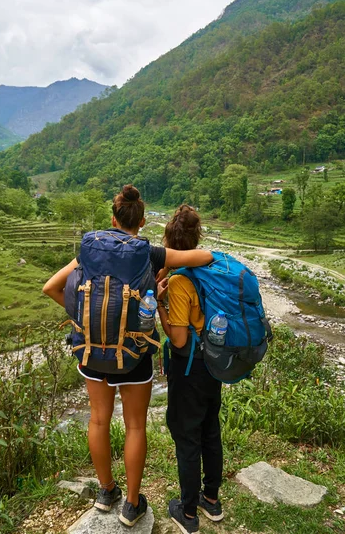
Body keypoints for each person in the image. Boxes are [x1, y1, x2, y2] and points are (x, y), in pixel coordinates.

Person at [43, 186, 213, 528]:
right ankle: (132, 505)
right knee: (135, 425)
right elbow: (202, 257)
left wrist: (84, 321)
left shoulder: (89, 250)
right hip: (135, 355)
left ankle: (106, 492)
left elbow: (50, 287)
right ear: (143, 221)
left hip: (91, 353)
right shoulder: (148, 252)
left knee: (98, 420)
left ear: (113, 218)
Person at [157, 204, 224, 534]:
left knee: (186, 435)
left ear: (169, 242)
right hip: (214, 362)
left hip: (189, 368)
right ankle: (211, 500)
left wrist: (160, 305)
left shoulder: (181, 281)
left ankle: (186, 512)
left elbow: (179, 340)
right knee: (210, 429)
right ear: (197, 237)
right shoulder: (209, 266)